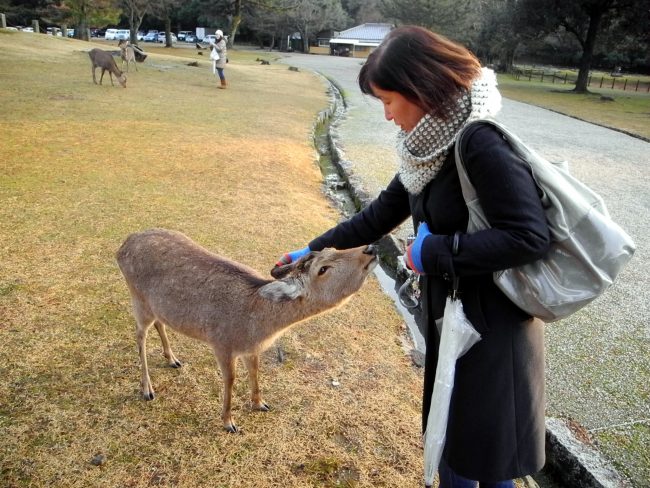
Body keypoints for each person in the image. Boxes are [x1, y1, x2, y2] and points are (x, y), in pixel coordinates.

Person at [275, 26, 550, 487]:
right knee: (452, 446)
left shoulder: (481, 142)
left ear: (421, 89)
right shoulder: (426, 150)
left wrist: (433, 251)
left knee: (485, 458)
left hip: (494, 331)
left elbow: (528, 237)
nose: (385, 116)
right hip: (453, 317)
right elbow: (379, 214)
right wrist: (313, 249)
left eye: (387, 100)